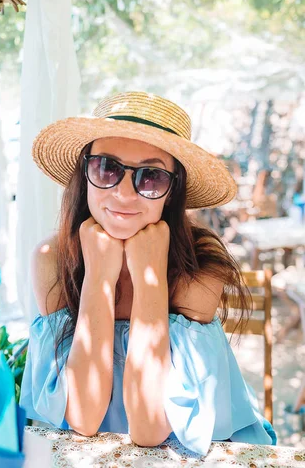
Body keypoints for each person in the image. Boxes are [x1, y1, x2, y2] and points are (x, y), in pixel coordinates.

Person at [20, 91, 276, 456]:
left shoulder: (201, 267)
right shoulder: (52, 258)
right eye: (107, 167)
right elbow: (82, 416)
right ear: (85, 173)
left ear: (171, 192)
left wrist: (149, 275)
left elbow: (149, 426)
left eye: (151, 177)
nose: (124, 193)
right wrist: (99, 277)